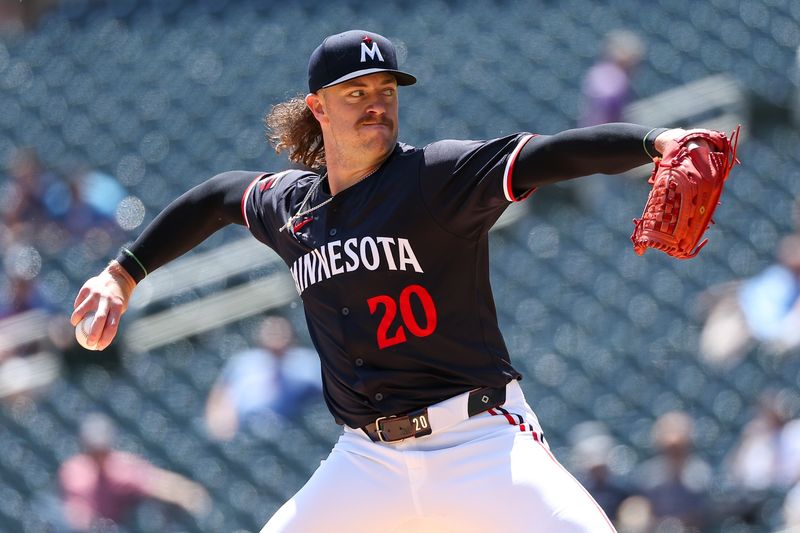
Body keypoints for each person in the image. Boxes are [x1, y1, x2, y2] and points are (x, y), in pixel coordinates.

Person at [71, 29, 721, 532]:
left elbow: (547, 153)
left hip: (480, 441)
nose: (376, 105)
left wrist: (656, 139)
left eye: (386, 91)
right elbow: (215, 197)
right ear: (317, 108)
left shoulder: (435, 177)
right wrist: (123, 272)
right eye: (356, 93)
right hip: (367, 460)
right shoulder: (290, 205)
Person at [58, 412, 210, 531]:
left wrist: (187, 493)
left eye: (101, 448)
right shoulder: (73, 469)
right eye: (94, 448)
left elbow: (156, 481)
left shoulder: (120, 467)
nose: (98, 453)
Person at [205, 315, 322, 440]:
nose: (276, 334)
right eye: (271, 331)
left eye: (281, 330)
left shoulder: (308, 362)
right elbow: (220, 395)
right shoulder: (244, 362)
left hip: (294, 434)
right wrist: (220, 426)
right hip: (245, 433)